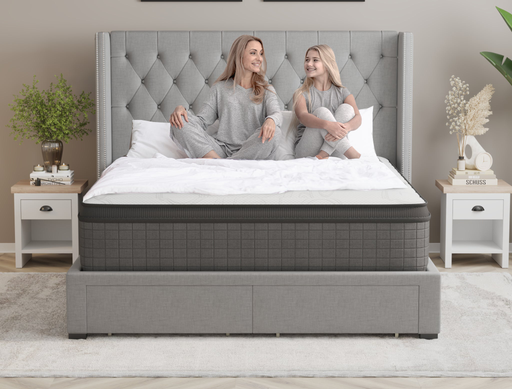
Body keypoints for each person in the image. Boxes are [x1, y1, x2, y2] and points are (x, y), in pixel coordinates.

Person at [170, 35, 282, 160]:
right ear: (239, 55)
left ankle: (224, 164)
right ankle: (223, 162)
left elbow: (277, 113)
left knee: (275, 132)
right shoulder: (219, 88)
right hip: (220, 150)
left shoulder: (267, 90)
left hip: (252, 149)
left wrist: (271, 120)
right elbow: (201, 121)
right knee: (178, 122)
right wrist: (181, 110)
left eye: (261, 53)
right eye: (253, 53)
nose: (259, 58)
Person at [293, 44, 361, 160]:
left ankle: (324, 154)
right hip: (307, 151)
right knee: (321, 111)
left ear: (327, 64)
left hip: (336, 150)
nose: (309, 64)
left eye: (315, 60)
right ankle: (353, 155)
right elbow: (303, 117)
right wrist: (328, 125)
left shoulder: (342, 92)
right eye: (307, 60)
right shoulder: (301, 93)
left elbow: (358, 118)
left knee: (347, 108)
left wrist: (345, 128)